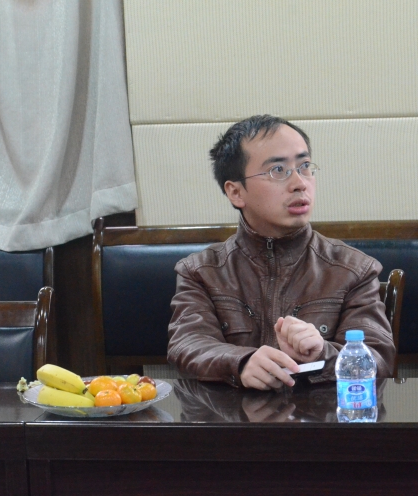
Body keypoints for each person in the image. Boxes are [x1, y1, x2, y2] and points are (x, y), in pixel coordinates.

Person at [167, 115, 395, 390]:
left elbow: (378, 358)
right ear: (236, 192)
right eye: (278, 170)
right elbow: (187, 345)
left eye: (305, 166)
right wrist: (241, 362)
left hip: (323, 416)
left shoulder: (353, 269)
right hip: (232, 417)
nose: (300, 183)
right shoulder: (201, 271)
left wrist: (322, 352)